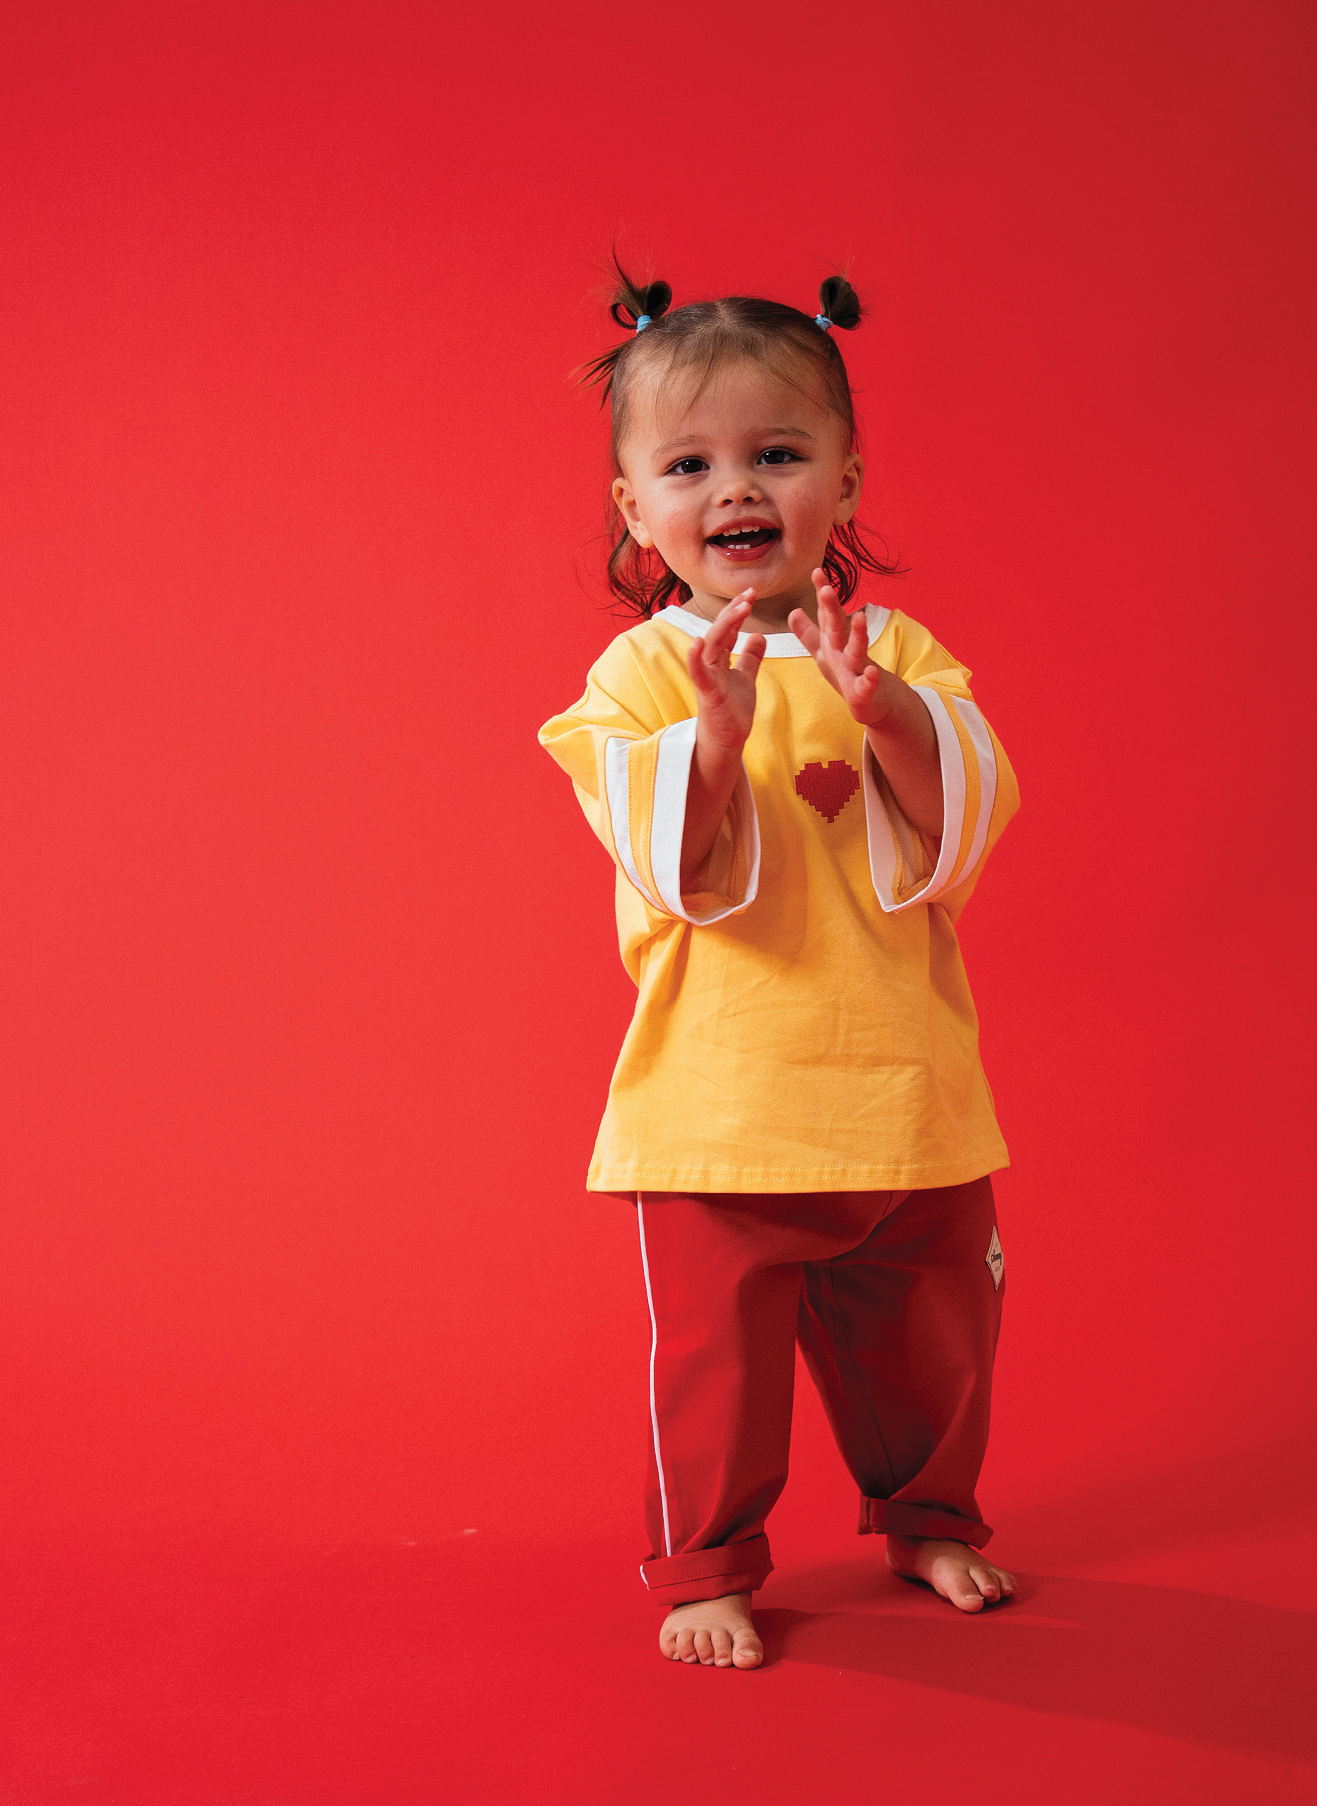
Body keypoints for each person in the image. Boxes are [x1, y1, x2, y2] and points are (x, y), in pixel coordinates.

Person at [538, 266, 1020, 1670]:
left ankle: (929, 1517)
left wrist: (887, 715)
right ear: (636, 507)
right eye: (688, 465)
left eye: (779, 452)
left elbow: (963, 816)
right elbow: (666, 860)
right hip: (720, 1110)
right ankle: (708, 1567)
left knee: (938, 1340)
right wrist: (714, 735)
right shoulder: (639, 677)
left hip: (905, 1093)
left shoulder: (898, 652)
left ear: (845, 477)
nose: (735, 487)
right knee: (716, 1370)